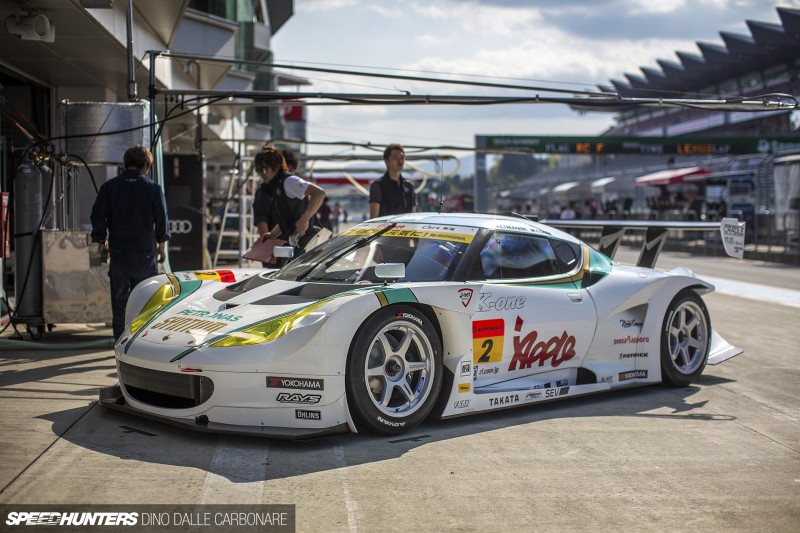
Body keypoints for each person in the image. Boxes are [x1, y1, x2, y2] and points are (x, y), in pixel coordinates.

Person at [90, 144, 169, 340]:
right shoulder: (152, 188)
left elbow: (97, 216)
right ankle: (142, 342)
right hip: (145, 254)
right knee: (145, 301)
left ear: (125, 164)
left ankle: (120, 342)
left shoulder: (109, 187)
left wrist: (100, 240)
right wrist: (162, 245)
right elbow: (162, 218)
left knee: (120, 303)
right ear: (146, 166)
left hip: (118, 253)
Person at [252, 146, 325, 258]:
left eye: (264, 169)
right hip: (298, 244)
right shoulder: (275, 187)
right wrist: (272, 235)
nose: (261, 174)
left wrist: (304, 219)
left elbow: (319, 193)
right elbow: (287, 218)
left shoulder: (289, 181)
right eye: (258, 170)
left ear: (276, 166)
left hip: (309, 242)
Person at [369, 143, 416, 218]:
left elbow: (413, 214)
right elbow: (374, 218)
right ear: (386, 161)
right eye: (396, 157)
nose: (400, 161)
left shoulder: (409, 186)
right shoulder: (378, 186)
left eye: (402, 157)